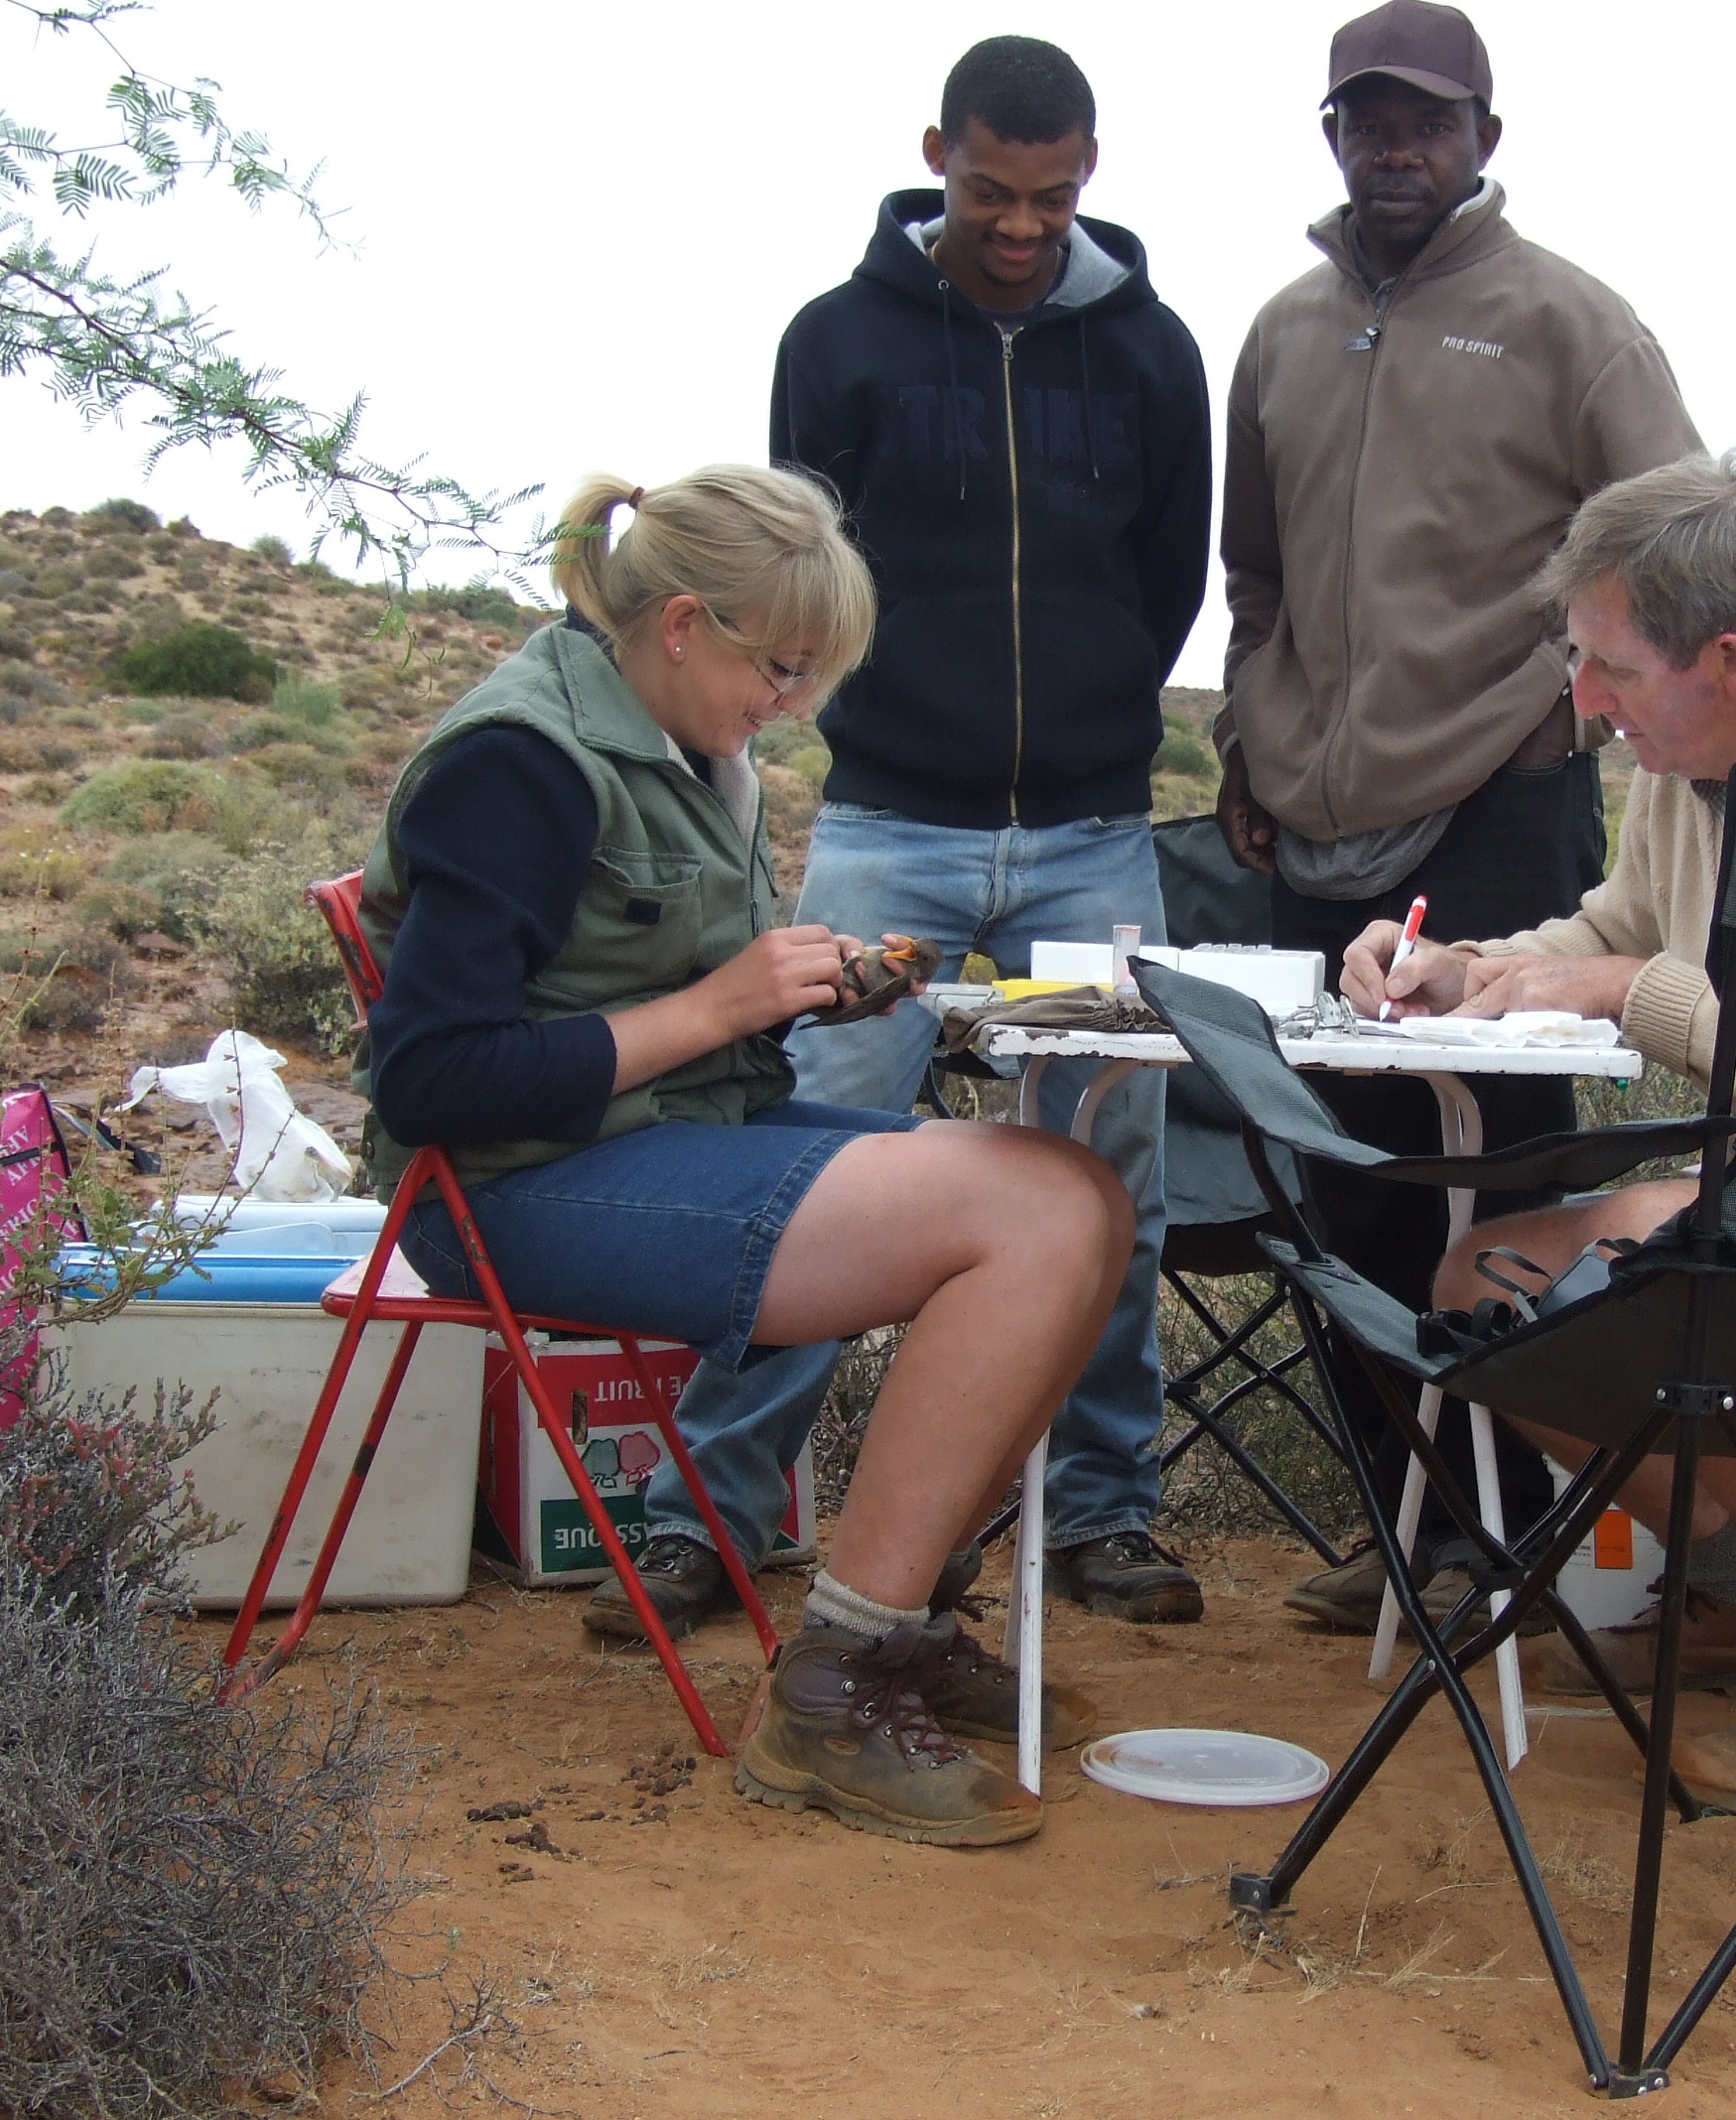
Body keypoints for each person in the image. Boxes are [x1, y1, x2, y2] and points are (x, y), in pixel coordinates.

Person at [357, 464, 1128, 1848]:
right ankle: (834, 1682)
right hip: (512, 1188)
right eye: (778, 667)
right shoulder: (517, 764)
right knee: (1033, 1217)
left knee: (1078, 1194)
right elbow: (428, 1079)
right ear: (682, 623)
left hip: (669, 1139)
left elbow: (665, 992)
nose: (795, 705)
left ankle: (894, 1631)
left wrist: (811, 985)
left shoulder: (692, 742)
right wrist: (716, 1006)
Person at [612, 35, 1217, 1640]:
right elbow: (805, 561)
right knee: (805, 1164)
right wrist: (886, 713)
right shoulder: (840, 340)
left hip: (1091, 833)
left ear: (1092, 173)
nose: (1020, 226)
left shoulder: (1155, 353)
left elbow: (1169, 583)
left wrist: (1087, 716)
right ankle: (716, 1523)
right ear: (935, 152)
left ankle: (1101, 1515)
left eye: (1053, 197)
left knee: (1108, 1174)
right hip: (890, 823)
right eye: (991, 192)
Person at [1342, 450, 1736, 1817]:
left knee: (1675, 1290)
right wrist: (1481, 965)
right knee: (1484, 1287)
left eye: (1609, 667)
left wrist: (1626, 992)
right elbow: (1622, 927)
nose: (1585, 701)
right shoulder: (1690, 756)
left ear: (1729, 659)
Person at [1215, 0, 1704, 1633]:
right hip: (1310, 822)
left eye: (1426, 121)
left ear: (1486, 137)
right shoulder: (1280, 331)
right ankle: (1410, 1529)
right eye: (1365, 120)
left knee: (1497, 1195)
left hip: (1502, 803)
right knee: (1343, 1191)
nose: (1395, 148)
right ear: (1332, 137)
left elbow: (1690, 540)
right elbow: (1256, 576)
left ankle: (1509, 1547)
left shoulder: (1576, 325)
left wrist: (1577, 697)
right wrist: (1250, 735)